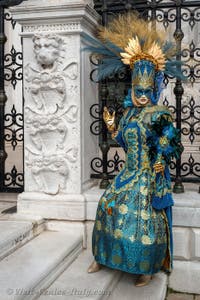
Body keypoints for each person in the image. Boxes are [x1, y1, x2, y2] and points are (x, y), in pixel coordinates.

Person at [85, 12, 184, 286]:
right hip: (127, 173)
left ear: (152, 88)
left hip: (148, 175)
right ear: (132, 88)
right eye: (137, 91)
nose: (141, 96)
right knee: (107, 204)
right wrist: (112, 126)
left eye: (145, 91)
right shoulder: (128, 114)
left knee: (142, 221)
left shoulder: (159, 113)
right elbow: (124, 143)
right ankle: (102, 257)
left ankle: (147, 269)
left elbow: (173, 141)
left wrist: (162, 156)